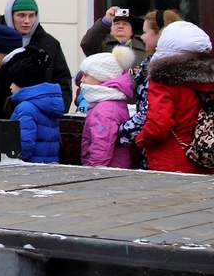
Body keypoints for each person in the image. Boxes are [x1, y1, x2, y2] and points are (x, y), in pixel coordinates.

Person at [133, 20, 214, 175]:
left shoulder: (163, 80)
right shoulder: (208, 83)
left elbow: (158, 124)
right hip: (205, 157)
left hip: (170, 159)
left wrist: (141, 139)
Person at [117, 9, 183, 163]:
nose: (142, 36)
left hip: (163, 153)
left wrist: (119, 133)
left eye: (146, 32)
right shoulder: (176, 64)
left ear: (160, 34)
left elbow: (151, 116)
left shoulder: (161, 70)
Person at [2, 0, 73, 112]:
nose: (27, 21)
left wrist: (58, 110)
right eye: (21, 15)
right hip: (1, 116)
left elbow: (62, 81)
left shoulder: (50, 44)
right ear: (10, 15)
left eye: (32, 16)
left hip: (41, 115)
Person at [3, 48, 64, 163]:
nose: (10, 87)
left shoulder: (26, 108)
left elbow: (24, 146)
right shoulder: (48, 104)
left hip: (29, 169)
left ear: (23, 82)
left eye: (13, 82)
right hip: (49, 166)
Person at [77, 51, 135, 168]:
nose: (82, 80)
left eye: (87, 75)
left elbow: (102, 145)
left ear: (102, 78)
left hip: (108, 171)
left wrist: (93, 171)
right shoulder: (105, 102)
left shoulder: (106, 108)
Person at [81, 6, 146, 66]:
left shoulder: (143, 47)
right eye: (116, 24)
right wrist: (106, 21)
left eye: (125, 24)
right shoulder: (102, 45)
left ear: (132, 31)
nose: (120, 26)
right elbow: (87, 43)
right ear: (110, 29)